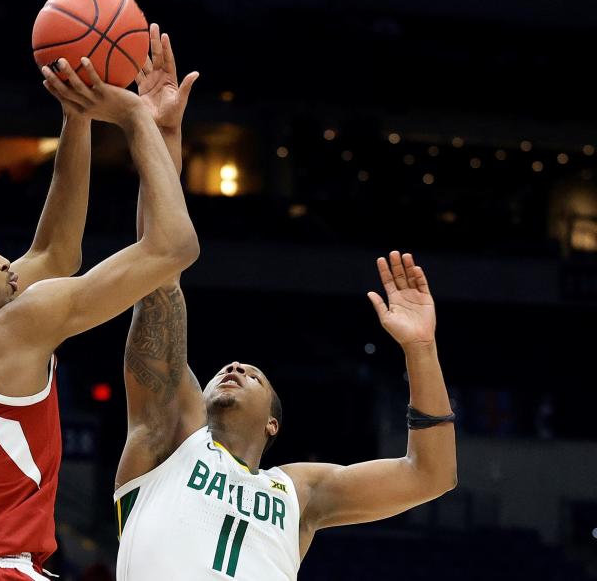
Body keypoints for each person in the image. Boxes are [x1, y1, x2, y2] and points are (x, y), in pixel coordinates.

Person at [112, 31, 456, 581]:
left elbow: (430, 475)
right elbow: (157, 272)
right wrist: (160, 137)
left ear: (273, 423)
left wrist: (420, 347)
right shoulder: (165, 436)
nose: (236, 366)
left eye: (254, 374)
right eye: (230, 369)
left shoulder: (300, 491)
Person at [0, 52, 199, 581]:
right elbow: (174, 246)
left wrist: (76, 119)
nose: (6, 260)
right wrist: (138, 119)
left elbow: (54, 254)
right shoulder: (4, 335)